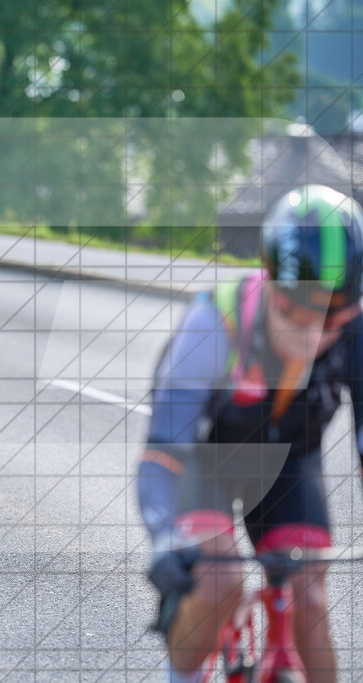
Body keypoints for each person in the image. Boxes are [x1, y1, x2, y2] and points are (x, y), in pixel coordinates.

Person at [137, 185, 363, 683]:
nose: (310, 334)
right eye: (293, 312)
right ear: (270, 283)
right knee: (218, 583)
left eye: (329, 318)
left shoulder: (356, 331)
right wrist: (165, 540)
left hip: (290, 464)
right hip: (208, 463)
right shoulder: (213, 322)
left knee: (311, 600)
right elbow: (161, 456)